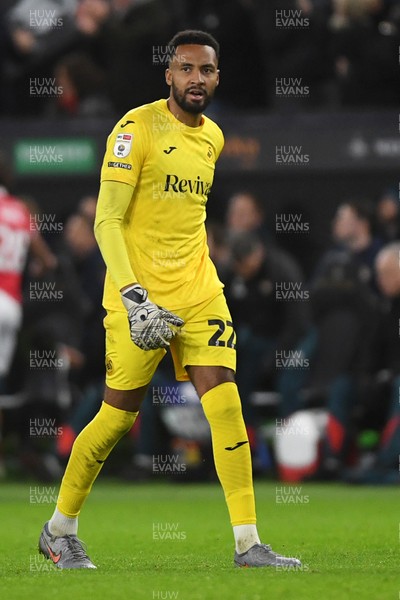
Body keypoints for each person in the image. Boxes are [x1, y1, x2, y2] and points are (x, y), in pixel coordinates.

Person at [38, 29, 301, 570]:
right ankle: (59, 529)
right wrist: (134, 296)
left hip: (199, 288)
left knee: (225, 402)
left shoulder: (215, 138)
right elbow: (106, 219)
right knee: (117, 417)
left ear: (217, 76)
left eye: (205, 70)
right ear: (169, 74)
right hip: (138, 295)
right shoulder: (135, 129)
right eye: (186, 68)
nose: (195, 79)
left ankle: (249, 544)